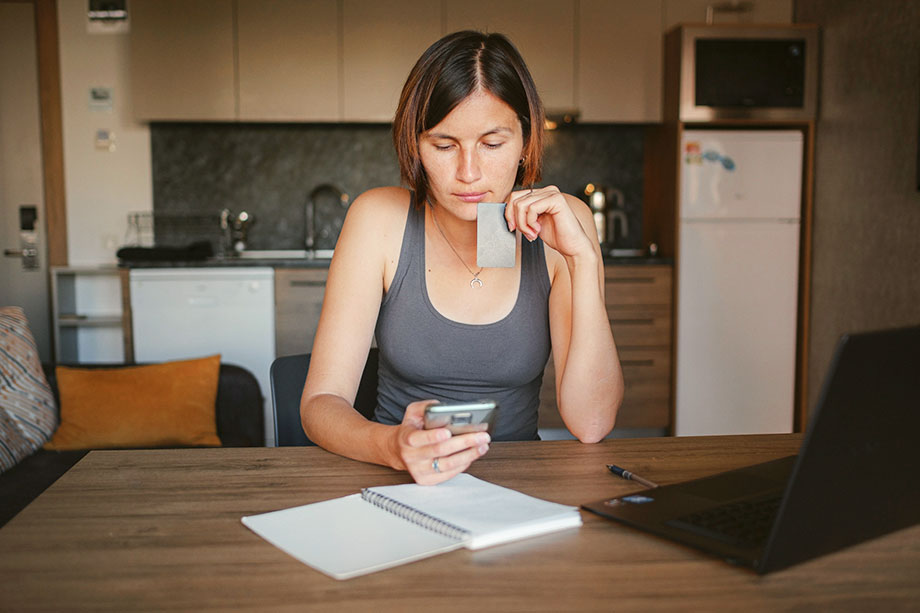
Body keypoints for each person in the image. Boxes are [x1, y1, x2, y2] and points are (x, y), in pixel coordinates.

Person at [300, 30, 624, 485]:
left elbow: (591, 425)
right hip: (399, 481)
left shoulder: (565, 221)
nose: (469, 173)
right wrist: (392, 447)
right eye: (444, 145)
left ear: (525, 142)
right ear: (415, 144)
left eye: (492, 144)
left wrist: (583, 263)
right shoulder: (378, 219)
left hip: (518, 490)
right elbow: (320, 403)